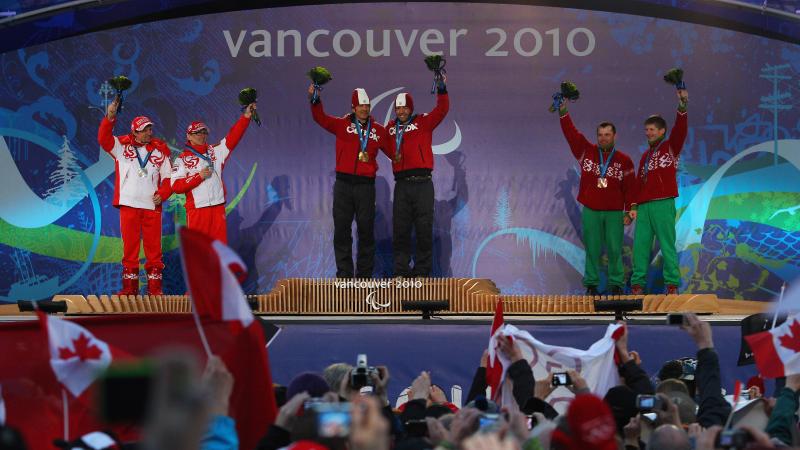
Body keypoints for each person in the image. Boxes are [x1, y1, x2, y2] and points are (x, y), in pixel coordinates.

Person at [308, 85, 392, 278]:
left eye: (367, 105)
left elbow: (394, 153)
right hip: (343, 185)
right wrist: (315, 99)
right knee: (342, 231)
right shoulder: (341, 125)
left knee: (366, 232)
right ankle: (344, 275)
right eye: (360, 106)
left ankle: (364, 276)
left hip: (366, 186)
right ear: (353, 108)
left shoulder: (378, 130)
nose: (364, 109)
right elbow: (319, 117)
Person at [558, 100, 636, 295]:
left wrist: (630, 210)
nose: (603, 138)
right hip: (591, 209)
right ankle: (592, 285)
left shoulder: (624, 160)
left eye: (607, 135)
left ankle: (616, 284)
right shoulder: (586, 152)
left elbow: (630, 188)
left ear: (614, 136)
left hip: (614, 212)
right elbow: (571, 134)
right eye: (600, 135)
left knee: (614, 249)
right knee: (592, 249)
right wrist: (563, 112)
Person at [98, 97, 172, 295]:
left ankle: (155, 290)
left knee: (154, 249)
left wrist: (163, 194)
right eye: (146, 129)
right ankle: (129, 290)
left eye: (150, 128)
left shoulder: (160, 151)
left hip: (152, 206)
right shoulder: (122, 148)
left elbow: (169, 178)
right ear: (135, 131)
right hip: (129, 204)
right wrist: (110, 116)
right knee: (130, 248)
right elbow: (104, 139)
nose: (150, 131)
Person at [386, 76, 449, 278]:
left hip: (423, 184)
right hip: (402, 185)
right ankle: (401, 271)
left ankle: (422, 270)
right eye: (398, 108)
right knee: (400, 230)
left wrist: (441, 88)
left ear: (411, 109)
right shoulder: (389, 128)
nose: (401, 111)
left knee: (423, 229)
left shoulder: (423, 121)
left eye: (404, 108)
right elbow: (381, 144)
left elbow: (442, 110)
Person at [629, 88, 689, 295]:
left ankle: (672, 285)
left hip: (663, 202)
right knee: (640, 247)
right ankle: (637, 286)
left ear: (662, 131)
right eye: (647, 130)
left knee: (667, 245)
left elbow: (680, 129)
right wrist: (633, 206)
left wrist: (682, 106)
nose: (649, 133)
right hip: (644, 206)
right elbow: (638, 183)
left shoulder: (671, 147)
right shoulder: (645, 156)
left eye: (653, 129)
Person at [171, 103, 257, 244]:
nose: (201, 135)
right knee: (200, 251)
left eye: (204, 132)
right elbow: (176, 186)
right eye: (197, 133)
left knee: (219, 249)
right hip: (197, 210)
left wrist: (246, 116)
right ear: (189, 136)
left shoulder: (215, 151)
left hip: (217, 208)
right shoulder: (181, 159)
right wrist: (198, 177)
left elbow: (233, 136)